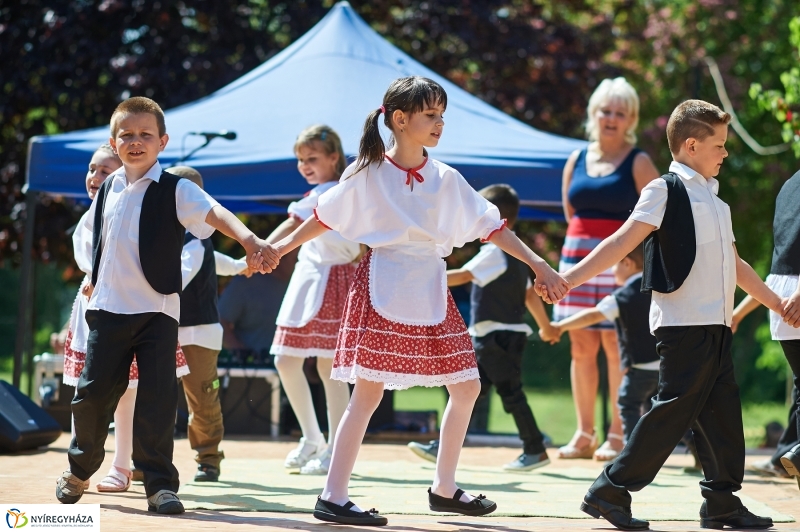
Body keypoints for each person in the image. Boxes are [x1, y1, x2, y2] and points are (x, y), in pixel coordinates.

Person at [250, 76, 568, 526]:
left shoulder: (446, 178)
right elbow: (324, 216)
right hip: (384, 282)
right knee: (368, 393)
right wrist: (279, 249)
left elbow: (492, 226)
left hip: (430, 286)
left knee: (467, 387)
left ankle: (444, 488)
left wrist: (541, 265)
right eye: (430, 115)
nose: (439, 123)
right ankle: (333, 495)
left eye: (442, 115)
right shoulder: (367, 171)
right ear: (400, 120)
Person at [561, 99, 789, 531]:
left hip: (717, 325)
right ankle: (610, 488)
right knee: (672, 412)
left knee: (722, 412)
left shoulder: (717, 203)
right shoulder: (665, 189)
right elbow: (621, 241)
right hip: (684, 324)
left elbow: (736, 265)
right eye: (718, 145)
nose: (725, 153)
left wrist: (776, 303)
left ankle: (721, 501)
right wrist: (568, 279)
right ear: (690, 145)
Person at [55, 96, 279, 515]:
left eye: (145, 135)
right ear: (113, 140)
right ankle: (78, 470)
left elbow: (215, 213)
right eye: (127, 135)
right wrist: (96, 281)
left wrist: (250, 241)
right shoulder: (108, 187)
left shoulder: (176, 188)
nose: (135, 142)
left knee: (157, 400)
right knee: (91, 395)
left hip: (157, 313)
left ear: (163, 142)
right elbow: (101, 243)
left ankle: (158, 485)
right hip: (106, 310)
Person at [62, 144, 190, 494]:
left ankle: (122, 465)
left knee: (131, 391)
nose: (96, 177)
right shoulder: (95, 211)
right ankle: (81, 466)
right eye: (92, 169)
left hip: (138, 307)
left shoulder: (143, 203)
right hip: (99, 306)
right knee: (90, 389)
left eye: (105, 171)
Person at [407, 184, 557, 472]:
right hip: (507, 335)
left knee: (508, 393)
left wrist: (424, 278)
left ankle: (535, 448)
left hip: (493, 337)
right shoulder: (517, 257)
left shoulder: (493, 253)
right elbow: (529, 296)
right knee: (469, 392)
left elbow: (464, 275)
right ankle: (443, 445)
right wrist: (546, 327)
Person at [553, 77, 660, 461]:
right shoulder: (575, 159)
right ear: (593, 114)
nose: (611, 119)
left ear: (630, 118)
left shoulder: (640, 161)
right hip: (577, 260)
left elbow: (659, 215)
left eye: (620, 113)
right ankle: (584, 434)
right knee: (581, 347)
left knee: (619, 348)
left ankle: (618, 434)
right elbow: (571, 214)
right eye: (606, 111)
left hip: (622, 267)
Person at [267, 125, 359, 476]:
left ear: (333, 157)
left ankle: (337, 447)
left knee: (329, 368)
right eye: (300, 160)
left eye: (312, 158)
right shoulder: (317, 192)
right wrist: (260, 250)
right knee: (286, 360)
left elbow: (292, 224)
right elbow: (295, 224)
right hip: (309, 279)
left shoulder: (334, 192)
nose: (304, 165)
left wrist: (260, 251)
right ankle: (312, 438)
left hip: (334, 279)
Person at [168, 166, 251, 483]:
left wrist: (243, 266)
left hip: (199, 333)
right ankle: (147, 457)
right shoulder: (172, 234)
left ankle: (208, 458)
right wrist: (240, 266)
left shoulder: (198, 239)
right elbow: (219, 262)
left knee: (202, 398)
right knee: (157, 397)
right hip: (165, 331)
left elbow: (184, 274)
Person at [730, 167, 800, 491]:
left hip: (782, 299)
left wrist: (739, 313)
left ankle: (793, 455)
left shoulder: (788, 186)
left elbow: (777, 266)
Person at [550, 244, 659, 446]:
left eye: (614, 264)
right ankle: (696, 452)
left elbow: (594, 315)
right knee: (664, 411)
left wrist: (559, 326)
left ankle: (632, 453)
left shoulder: (624, 296)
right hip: (664, 366)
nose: (611, 270)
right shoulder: (658, 292)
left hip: (640, 369)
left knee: (628, 405)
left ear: (627, 263)